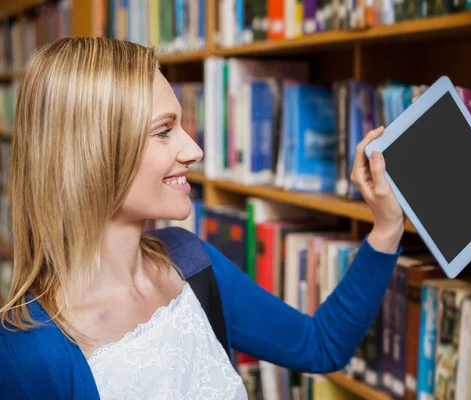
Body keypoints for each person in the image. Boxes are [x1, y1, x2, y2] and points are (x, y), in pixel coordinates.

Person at [0, 37, 405, 400]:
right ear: (94, 152)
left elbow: (321, 346)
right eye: (164, 131)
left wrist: (386, 229)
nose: (194, 149)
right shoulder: (29, 352)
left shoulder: (193, 262)